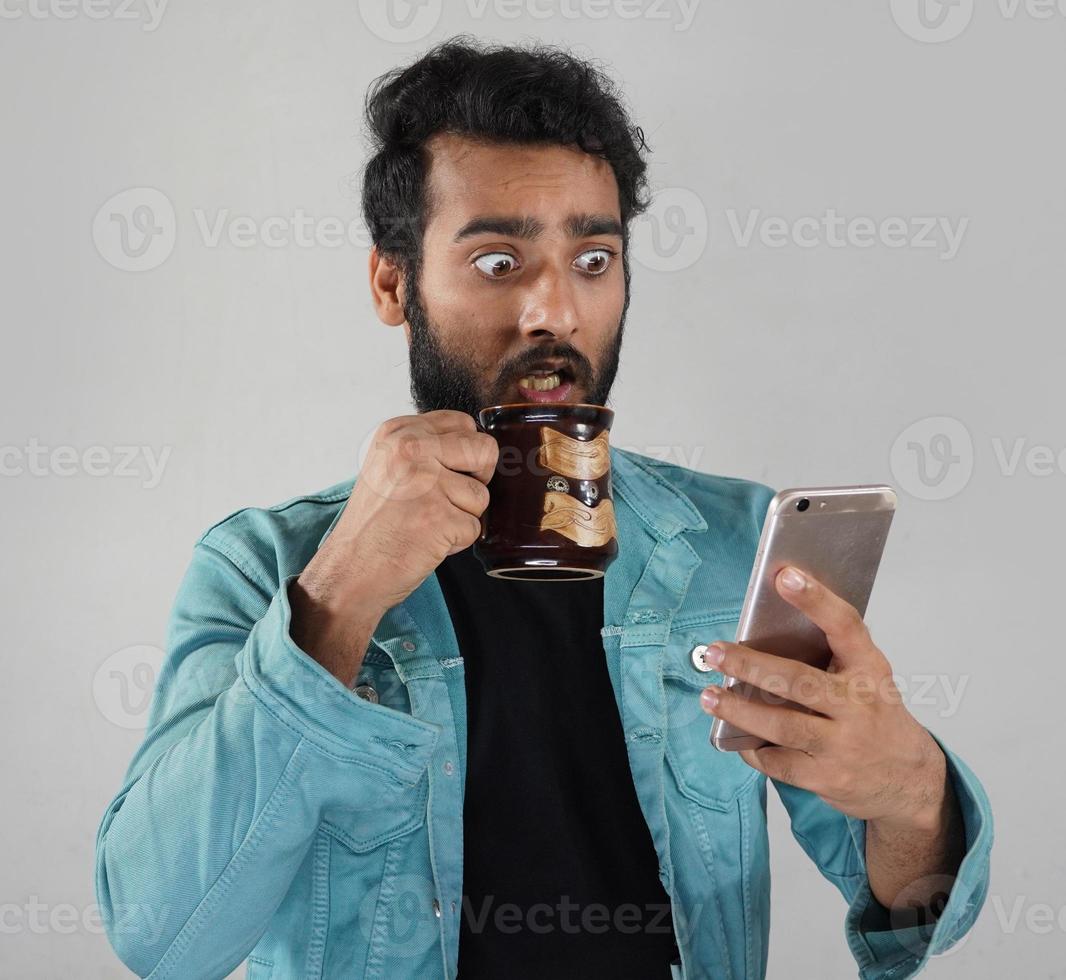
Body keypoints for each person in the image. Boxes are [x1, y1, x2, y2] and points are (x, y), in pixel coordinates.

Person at [94, 36, 993, 980]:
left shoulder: (743, 546)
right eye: (498, 262)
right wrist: (342, 595)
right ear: (392, 283)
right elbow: (165, 936)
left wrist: (912, 794)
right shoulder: (260, 568)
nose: (554, 311)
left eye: (594, 258)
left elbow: (904, 908)